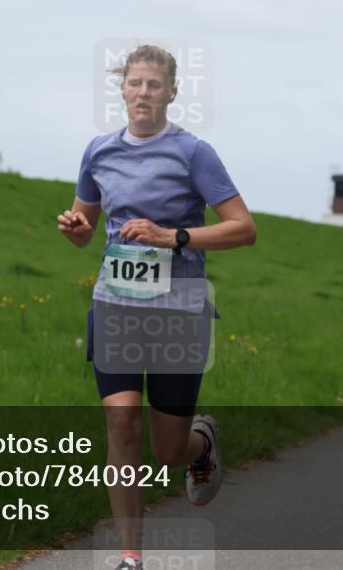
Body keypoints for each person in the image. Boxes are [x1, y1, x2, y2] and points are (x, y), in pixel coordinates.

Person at [57, 45, 257, 570]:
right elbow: (86, 226)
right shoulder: (98, 151)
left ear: (171, 92)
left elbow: (244, 228)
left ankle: (201, 445)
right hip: (115, 303)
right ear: (122, 89)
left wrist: (174, 236)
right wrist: (78, 230)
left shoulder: (194, 153)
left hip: (180, 308)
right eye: (135, 83)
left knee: (167, 451)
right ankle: (130, 557)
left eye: (154, 85)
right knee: (122, 423)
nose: (143, 92)